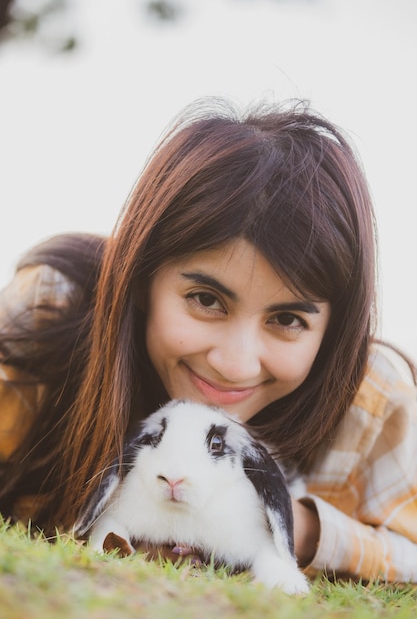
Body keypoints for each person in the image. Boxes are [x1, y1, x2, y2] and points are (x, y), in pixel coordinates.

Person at [1, 98, 416, 583]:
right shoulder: (54, 308)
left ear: (334, 328)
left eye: (286, 318)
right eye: (205, 298)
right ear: (141, 276)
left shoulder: (372, 401)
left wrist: (287, 523)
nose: (235, 364)